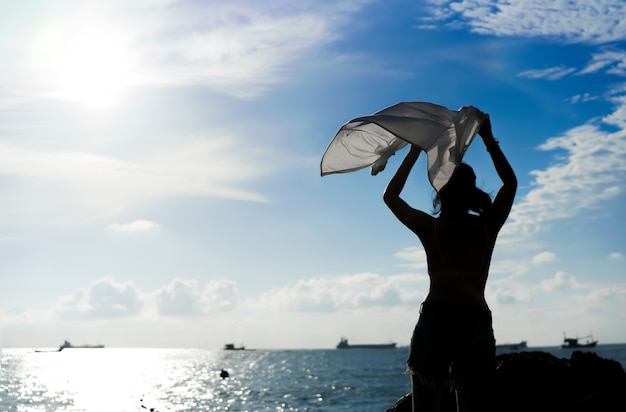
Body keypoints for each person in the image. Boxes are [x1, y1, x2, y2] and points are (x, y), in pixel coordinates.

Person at [383, 113, 517, 412]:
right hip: (474, 319)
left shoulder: (431, 228)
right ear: (472, 193)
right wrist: (487, 139)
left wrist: (416, 150)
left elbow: (391, 196)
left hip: (436, 318)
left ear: (440, 193)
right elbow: (510, 183)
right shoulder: (486, 226)